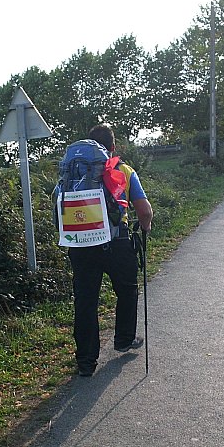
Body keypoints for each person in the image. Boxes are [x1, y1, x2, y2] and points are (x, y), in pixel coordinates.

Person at [67, 124, 154, 377]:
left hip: (81, 245)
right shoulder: (124, 171)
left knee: (86, 302)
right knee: (127, 290)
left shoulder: (75, 172)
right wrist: (145, 226)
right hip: (117, 243)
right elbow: (145, 211)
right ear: (112, 148)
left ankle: (85, 361)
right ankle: (124, 339)